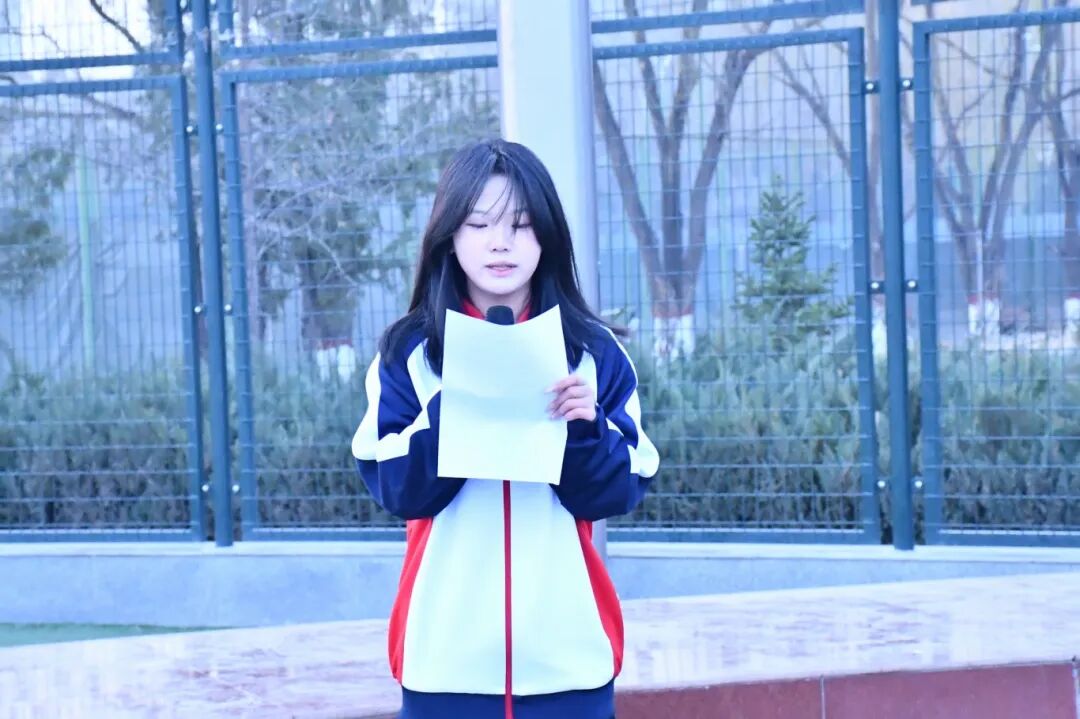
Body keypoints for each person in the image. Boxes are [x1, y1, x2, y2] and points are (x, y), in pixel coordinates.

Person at [351, 139, 660, 719]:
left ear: (547, 235)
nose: (500, 242)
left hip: (569, 662)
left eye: (520, 224)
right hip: (445, 663)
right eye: (479, 224)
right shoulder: (410, 353)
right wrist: (451, 413)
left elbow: (621, 488)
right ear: (449, 236)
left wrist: (585, 430)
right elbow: (395, 489)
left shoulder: (593, 353)